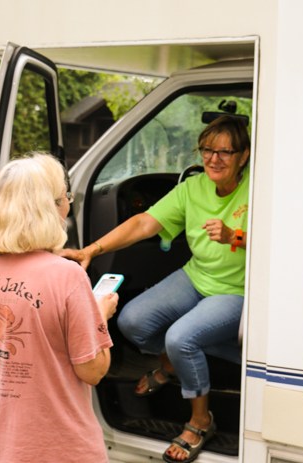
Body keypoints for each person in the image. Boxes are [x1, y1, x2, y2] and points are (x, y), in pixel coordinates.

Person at [61, 115, 250, 463]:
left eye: (225, 152)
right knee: (132, 321)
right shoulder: (193, 187)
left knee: (181, 338)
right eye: (207, 150)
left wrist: (234, 236)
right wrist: (92, 250)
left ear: (244, 155)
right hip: (197, 277)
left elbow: (282, 241)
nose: (214, 159)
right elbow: (144, 223)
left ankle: (200, 420)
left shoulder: (258, 186)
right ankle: (175, 362)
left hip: (237, 290)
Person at [0, 153, 118, 463]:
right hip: (60, 452)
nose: (68, 206)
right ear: (50, 208)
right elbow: (93, 370)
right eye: (66, 198)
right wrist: (99, 316)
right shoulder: (67, 275)